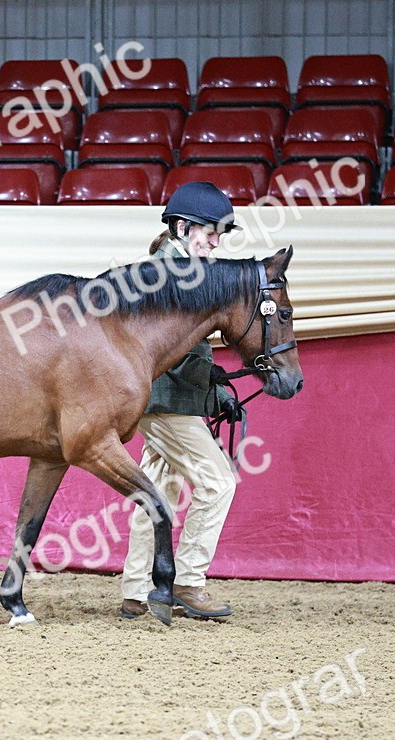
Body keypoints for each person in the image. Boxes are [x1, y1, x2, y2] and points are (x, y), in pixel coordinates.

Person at [119, 181, 243, 621]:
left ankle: (136, 591)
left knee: (159, 491)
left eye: (221, 235)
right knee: (218, 483)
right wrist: (213, 385)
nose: (217, 242)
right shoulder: (169, 273)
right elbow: (174, 354)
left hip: (163, 400)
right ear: (183, 225)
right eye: (212, 233)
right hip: (166, 401)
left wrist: (215, 391)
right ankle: (189, 581)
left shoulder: (174, 269)